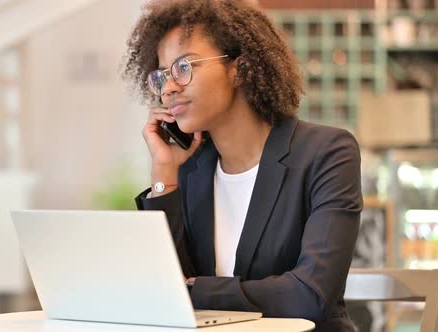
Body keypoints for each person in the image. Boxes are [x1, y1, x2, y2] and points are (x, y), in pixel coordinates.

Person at [122, 1, 362, 331]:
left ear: (239, 68)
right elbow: (166, 296)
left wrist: (195, 290)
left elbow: (310, 295)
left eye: (183, 68)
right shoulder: (191, 171)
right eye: (161, 75)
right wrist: (164, 172)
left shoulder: (325, 153)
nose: (168, 88)